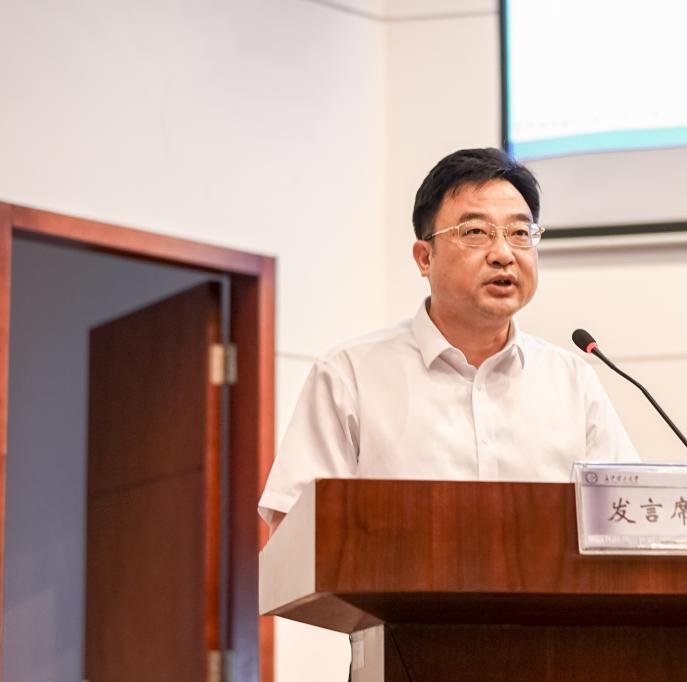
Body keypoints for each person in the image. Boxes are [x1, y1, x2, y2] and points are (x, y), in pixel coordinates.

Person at [258, 148, 638, 531]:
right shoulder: (349, 376)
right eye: (476, 233)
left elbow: (629, 519)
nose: (503, 254)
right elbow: (295, 532)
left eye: (520, 233)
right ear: (425, 258)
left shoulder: (572, 381)